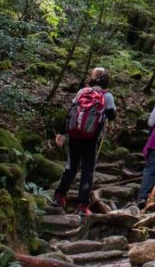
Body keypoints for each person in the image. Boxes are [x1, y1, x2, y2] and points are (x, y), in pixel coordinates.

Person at [52, 67, 116, 215]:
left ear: (91, 78)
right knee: (87, 171)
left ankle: (59, 197)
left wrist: (62, 133)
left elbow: (70, 112)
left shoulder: (82, 92)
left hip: (75, 135)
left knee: (70, 167)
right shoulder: (107, 96)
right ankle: (82, 205)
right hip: (92, 138)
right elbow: (111, 116)